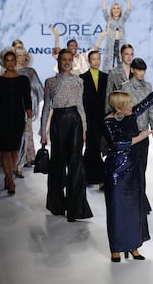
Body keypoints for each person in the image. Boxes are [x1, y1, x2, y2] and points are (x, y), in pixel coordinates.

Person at [103, 88, 153, 262]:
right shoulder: (108, 122)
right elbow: (118, 144)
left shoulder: (129, 115)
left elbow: (147, 102)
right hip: (117, 171)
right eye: (128, 103)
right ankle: (116, 248)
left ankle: (133, 246)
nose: (132, 104)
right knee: (117, 210)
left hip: (133, 169)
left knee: (134, 209)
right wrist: (141, 136)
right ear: (119, 107)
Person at [40, 49, 93, 222]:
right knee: (57, 163)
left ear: (73, 61)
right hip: (58, 122)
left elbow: (80, 106)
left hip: (75, 121)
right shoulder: (50, 82)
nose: (67, 62)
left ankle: (75, 208)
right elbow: (47, 107)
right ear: (59, 61)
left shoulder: (78, 81)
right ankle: (57, 204)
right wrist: (43, 132)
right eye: (64, 59)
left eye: (69, 59)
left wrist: (84, 129)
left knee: (76, 163)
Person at [106, 52, 153, 213]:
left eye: (143, 70)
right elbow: (128, 111)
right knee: (131, 170)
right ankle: (135, 202)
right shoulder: (125, 88)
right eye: (139, 70)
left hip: (145, 132)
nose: (141, 73)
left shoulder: (148, 86)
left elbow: (149, 108)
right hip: (131, 132)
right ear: (133, 71)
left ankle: (140, 201)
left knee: (141, 169)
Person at [0, 50, 32, 194]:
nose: (10, 62)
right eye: (7, 60)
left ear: (15, 61)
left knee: (15, 151)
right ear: (4, 63)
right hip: (1, 119)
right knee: (5, 151)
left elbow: (27, 99)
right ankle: (10, 181)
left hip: (18, 118)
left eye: (12, 60)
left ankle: (8, 175)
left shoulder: (23, 80)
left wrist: (29, 117)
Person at [79, 51, 108, 186]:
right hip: (89, 116)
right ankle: (91, 176)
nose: (96, 61)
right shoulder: (82, 78)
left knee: (99, 146)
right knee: (92, 145)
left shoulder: (106, 77)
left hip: (103, 116)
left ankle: (97, 176)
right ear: (89, 61)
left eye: (98, 59)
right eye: (93, 59)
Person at [15, 46, 44, 171]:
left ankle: (28, 158)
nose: (21, 58)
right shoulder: (9, 70)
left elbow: (38, 88)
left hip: (28, 104)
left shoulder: (30, 71)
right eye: (18, 55)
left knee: (27, 133)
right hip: (13, 106)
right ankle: (16, 160)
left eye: (23, 55)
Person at [100, 0, 131, 73]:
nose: (116, 10)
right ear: (112, 10)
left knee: (121, 64)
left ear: (120, 10)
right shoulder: (108, 19)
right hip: (110, 45)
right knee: (110, 65)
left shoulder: (122, 19)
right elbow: (104, 10)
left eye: (118, 8)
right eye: (114, 8)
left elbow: (128, 10)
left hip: (120, 44)